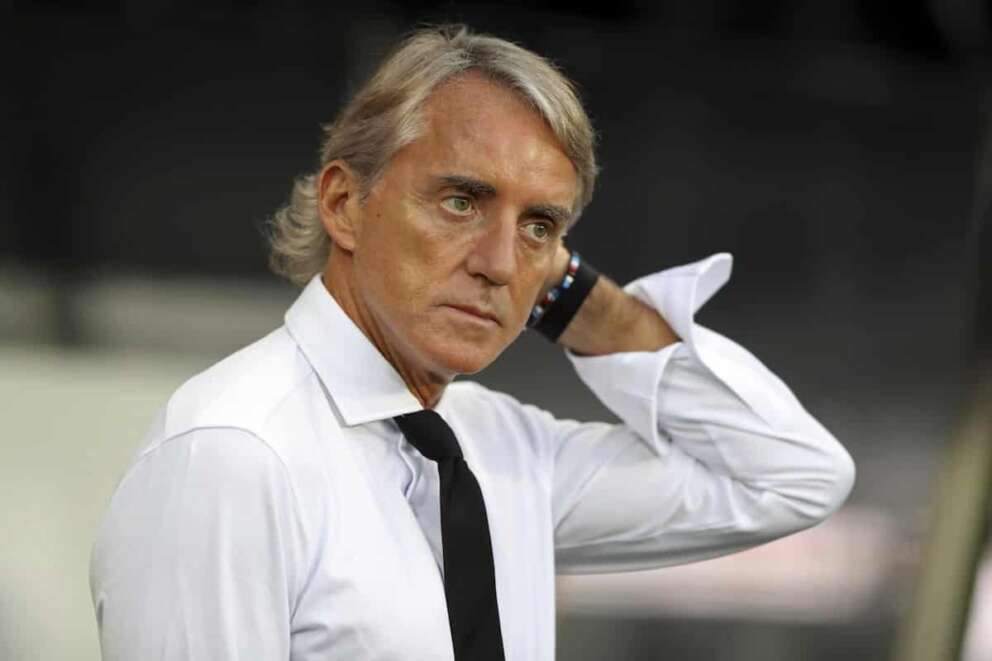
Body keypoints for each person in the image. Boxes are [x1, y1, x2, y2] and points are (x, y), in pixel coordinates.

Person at [89, 24, 855, 661]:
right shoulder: (234, 451)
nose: (498, 264)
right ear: (344, 203)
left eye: (538, 227)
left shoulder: (500, 448)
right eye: (460, 200)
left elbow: (792, 476)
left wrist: (576, 301)